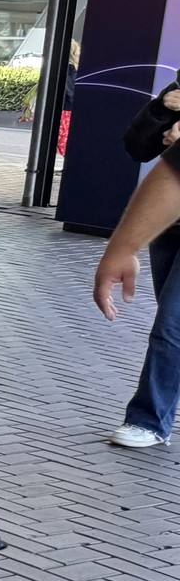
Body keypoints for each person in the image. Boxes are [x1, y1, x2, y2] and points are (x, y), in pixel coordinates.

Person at [100, 87, 180, 447]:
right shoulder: (177, 92)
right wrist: (162, 109)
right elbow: (137, 147)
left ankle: (148, 420)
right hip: (168, 225)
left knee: (171, 325)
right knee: (172, 319)